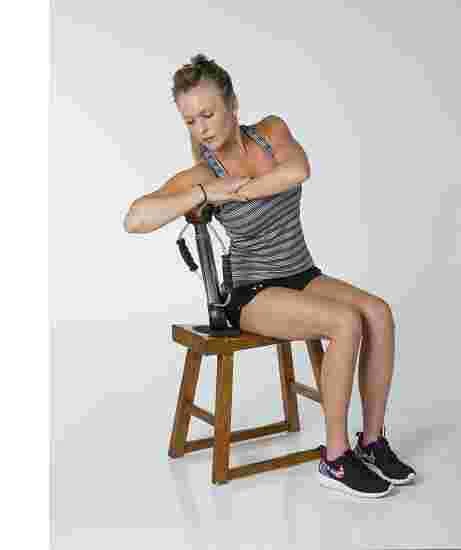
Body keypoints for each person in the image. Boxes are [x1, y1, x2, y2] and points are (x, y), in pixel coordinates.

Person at [124, 53, 416, 499]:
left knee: (378, 312)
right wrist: (204, 192)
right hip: (252, 292)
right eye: (190, 121)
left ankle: (372, 442)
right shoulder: (202, 174)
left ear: (232, 104)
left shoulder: (270, 132)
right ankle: (335, 458)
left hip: (302, 273)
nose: (201, 128)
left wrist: (237, 192)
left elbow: (298, 170)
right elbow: (135, 219)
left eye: (208, 113)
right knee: (345, 323)